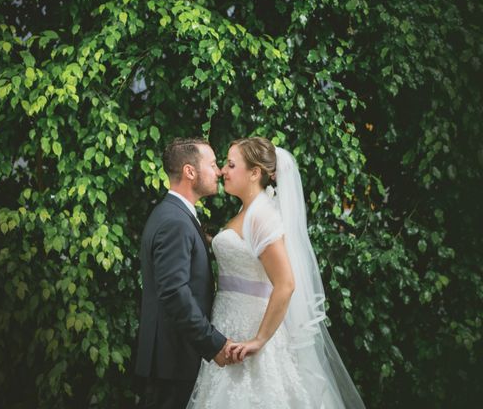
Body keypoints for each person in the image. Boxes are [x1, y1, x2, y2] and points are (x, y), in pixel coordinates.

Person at [187, 137, 365, 408]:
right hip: (227, 323)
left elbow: (285, 284)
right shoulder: (247, 211)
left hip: (249, 328)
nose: (223, 170)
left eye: (231, 164)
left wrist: (258, 340)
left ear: (254, 173)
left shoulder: (262, 215)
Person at [135, 138, 238, 409]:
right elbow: (174, 292)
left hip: (173, 358)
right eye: (213, 164)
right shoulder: (174, 221)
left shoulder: (176, 214)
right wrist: (213, 343)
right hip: (172, 360)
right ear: (190, 172)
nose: (219, 171)